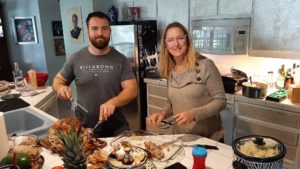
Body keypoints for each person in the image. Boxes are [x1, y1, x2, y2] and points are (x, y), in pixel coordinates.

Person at [52, 11, 137, 137]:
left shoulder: (120, 59)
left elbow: (132, 89)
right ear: (88, 31)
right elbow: (58, 80)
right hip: (84, 128)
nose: (100, 33)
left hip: (117, 128)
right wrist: (61, 88)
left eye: (104, 28)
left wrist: (113, 102)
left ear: (110, 31)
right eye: (94, 28)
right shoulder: (76, 58)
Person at [147, 22, 227, 141]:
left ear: (187, 40)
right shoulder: (170, 69)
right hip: (181, 137)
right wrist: (162, 113)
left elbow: (221, 101)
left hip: (208, 139)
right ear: (166, 45)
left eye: (180, 38)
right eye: (170, 40)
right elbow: (171, 102)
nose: (176, 44)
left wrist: (194, 114)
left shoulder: (205, 65)